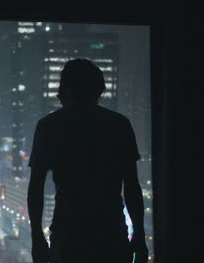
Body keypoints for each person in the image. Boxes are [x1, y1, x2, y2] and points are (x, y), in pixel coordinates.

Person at [27, 59, 149, 263]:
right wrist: (139, 235)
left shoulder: (49, 127)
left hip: (68, 236)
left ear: (64, 89)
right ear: (98, 90)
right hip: (111, 233)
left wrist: (37, 238)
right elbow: (132, 186)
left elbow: (36, 188)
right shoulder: (118, 125)